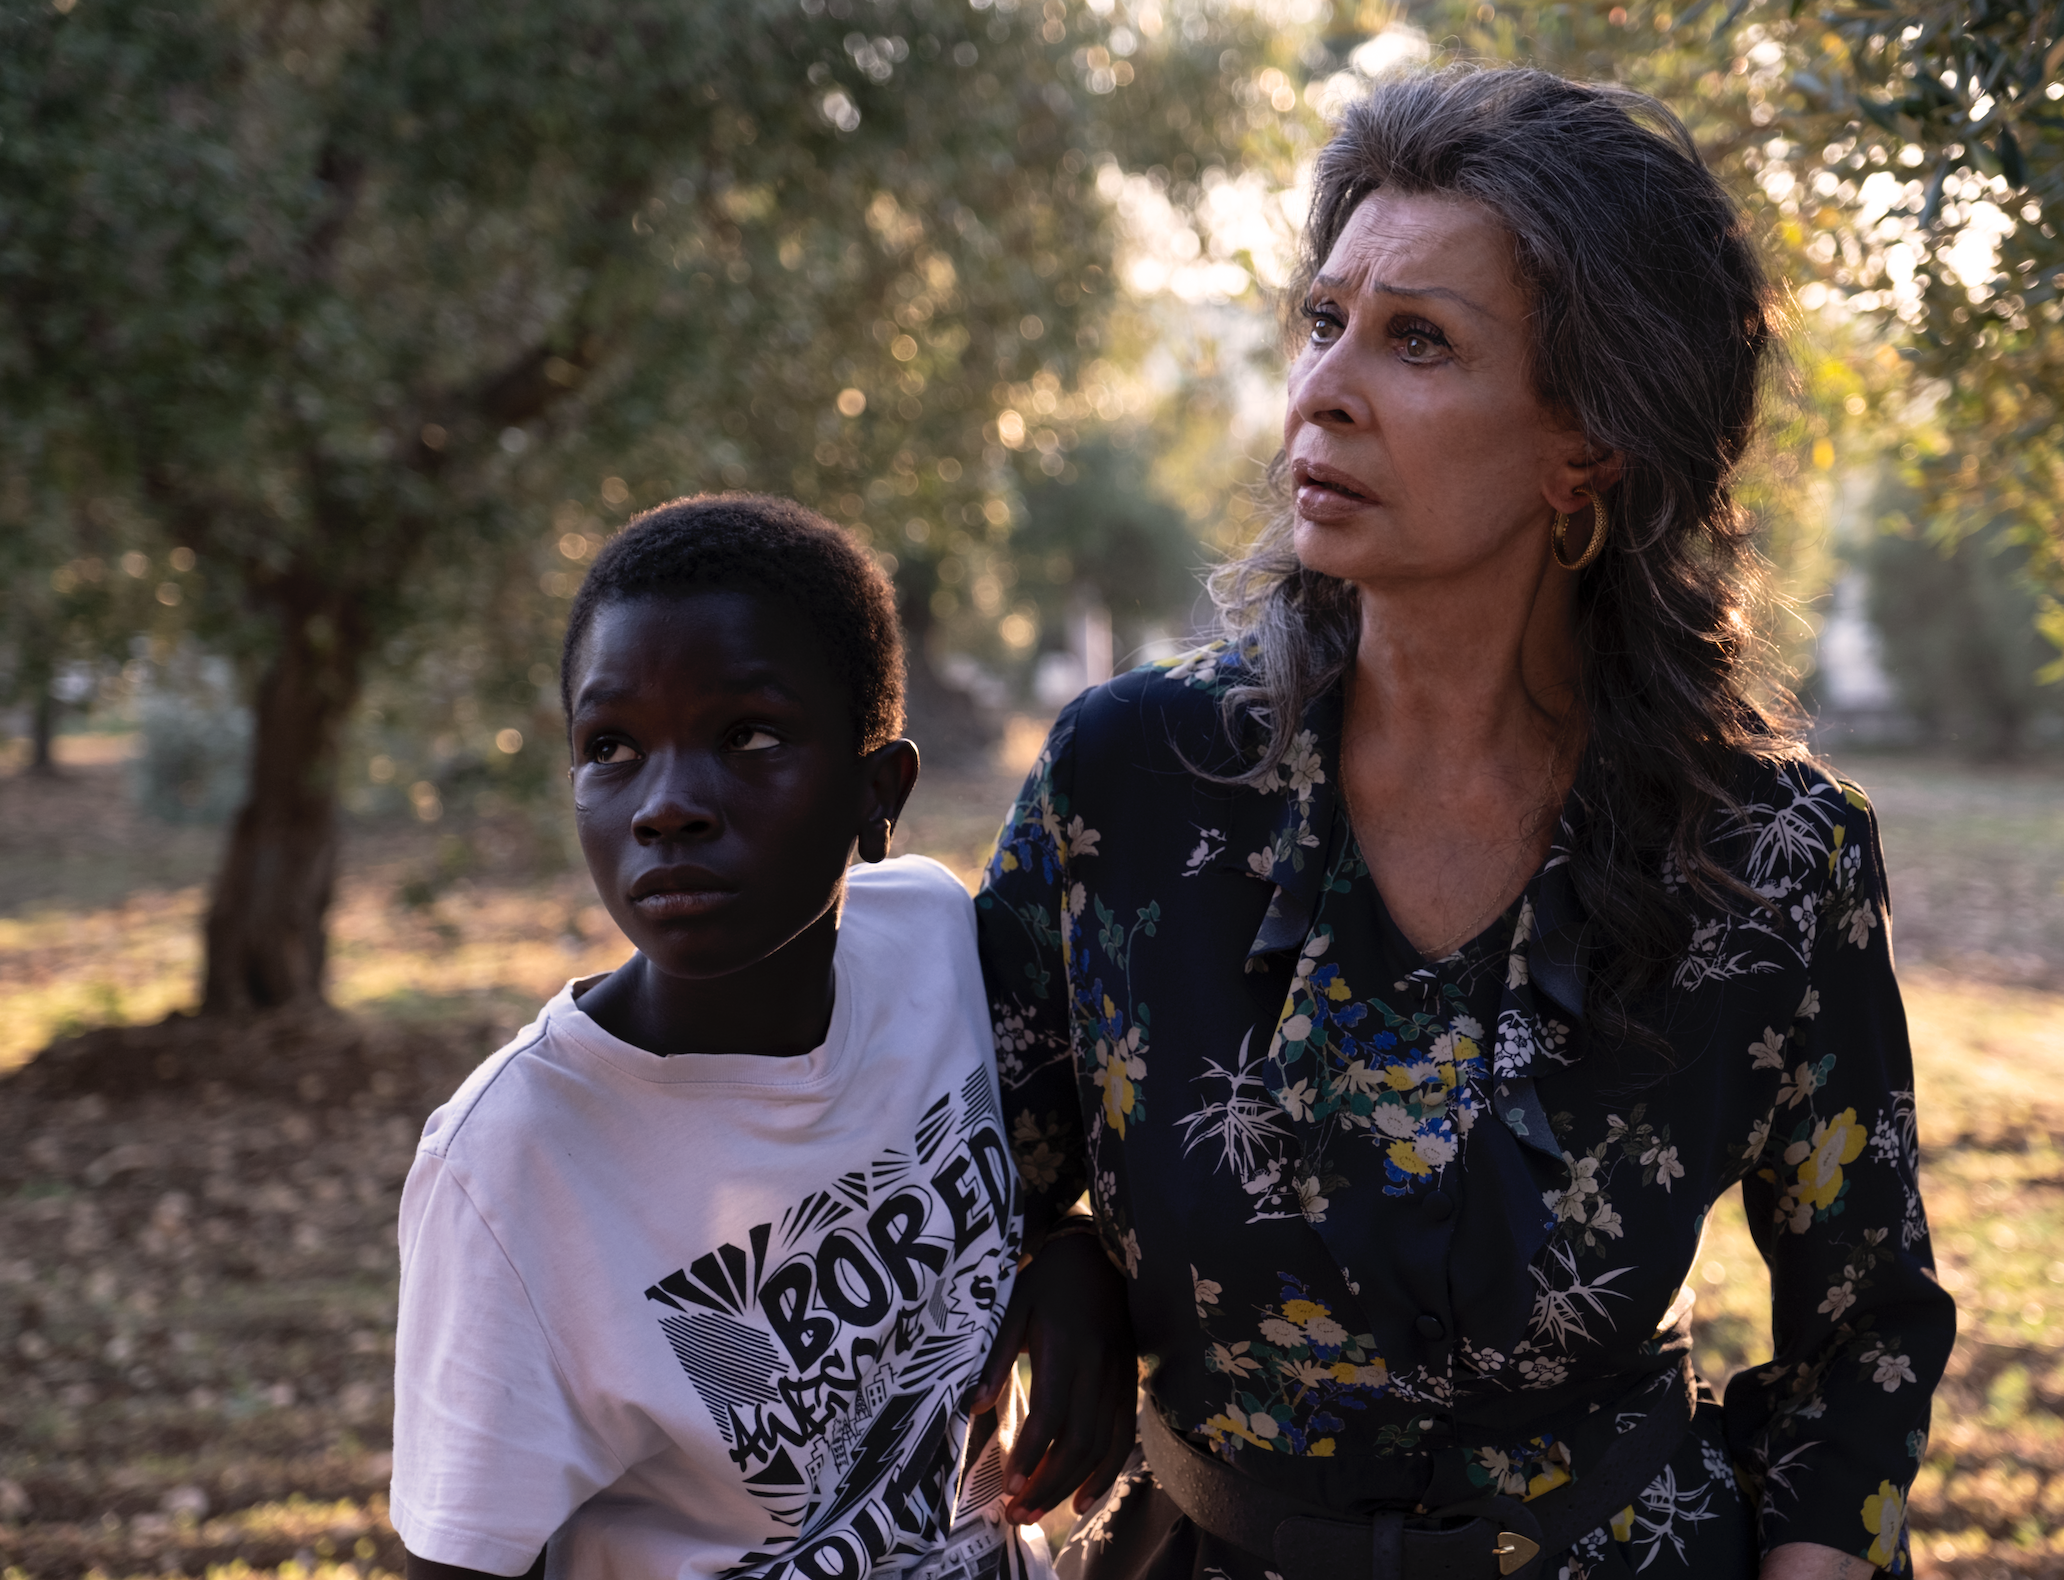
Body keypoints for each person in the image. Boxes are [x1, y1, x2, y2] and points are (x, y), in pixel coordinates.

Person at [978, 66, 1957, 1580]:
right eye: (1324, 323)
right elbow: (973, 1180)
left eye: (1419, 340)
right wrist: (1065, 1271)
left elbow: (1867, 1330)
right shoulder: (1132, 789)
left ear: (1589, 448)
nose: (1324, 391)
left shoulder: (1770, 860)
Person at [390, 495, 1129, 1580]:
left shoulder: (931, 938)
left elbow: (1007, 1190)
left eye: (748, 735)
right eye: (611, 747)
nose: (667, 804)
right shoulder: (512, 1164)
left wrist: (1069, 1256)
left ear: (879, 793)